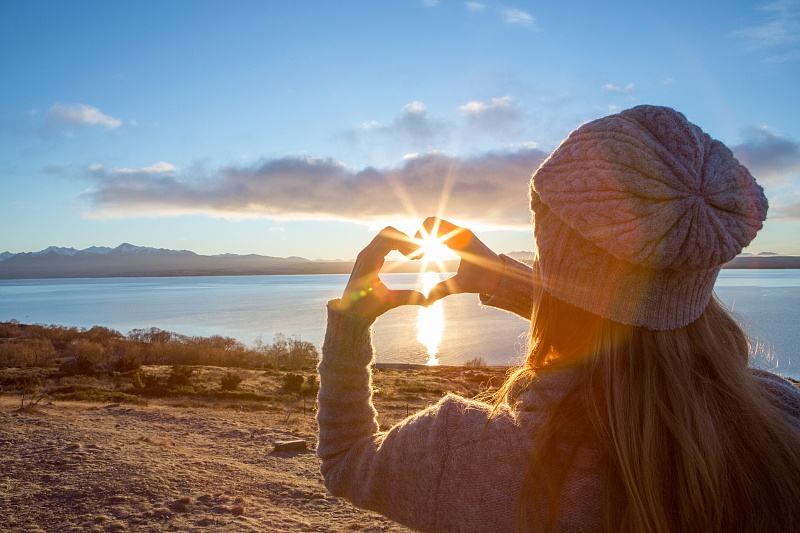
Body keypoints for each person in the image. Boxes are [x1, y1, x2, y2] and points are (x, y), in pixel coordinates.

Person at [316, 105, 800, 532]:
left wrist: (350, 328)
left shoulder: (460, 454)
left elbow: (344, 461)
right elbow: (634, 320)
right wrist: (511, 282)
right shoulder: (781, 421)